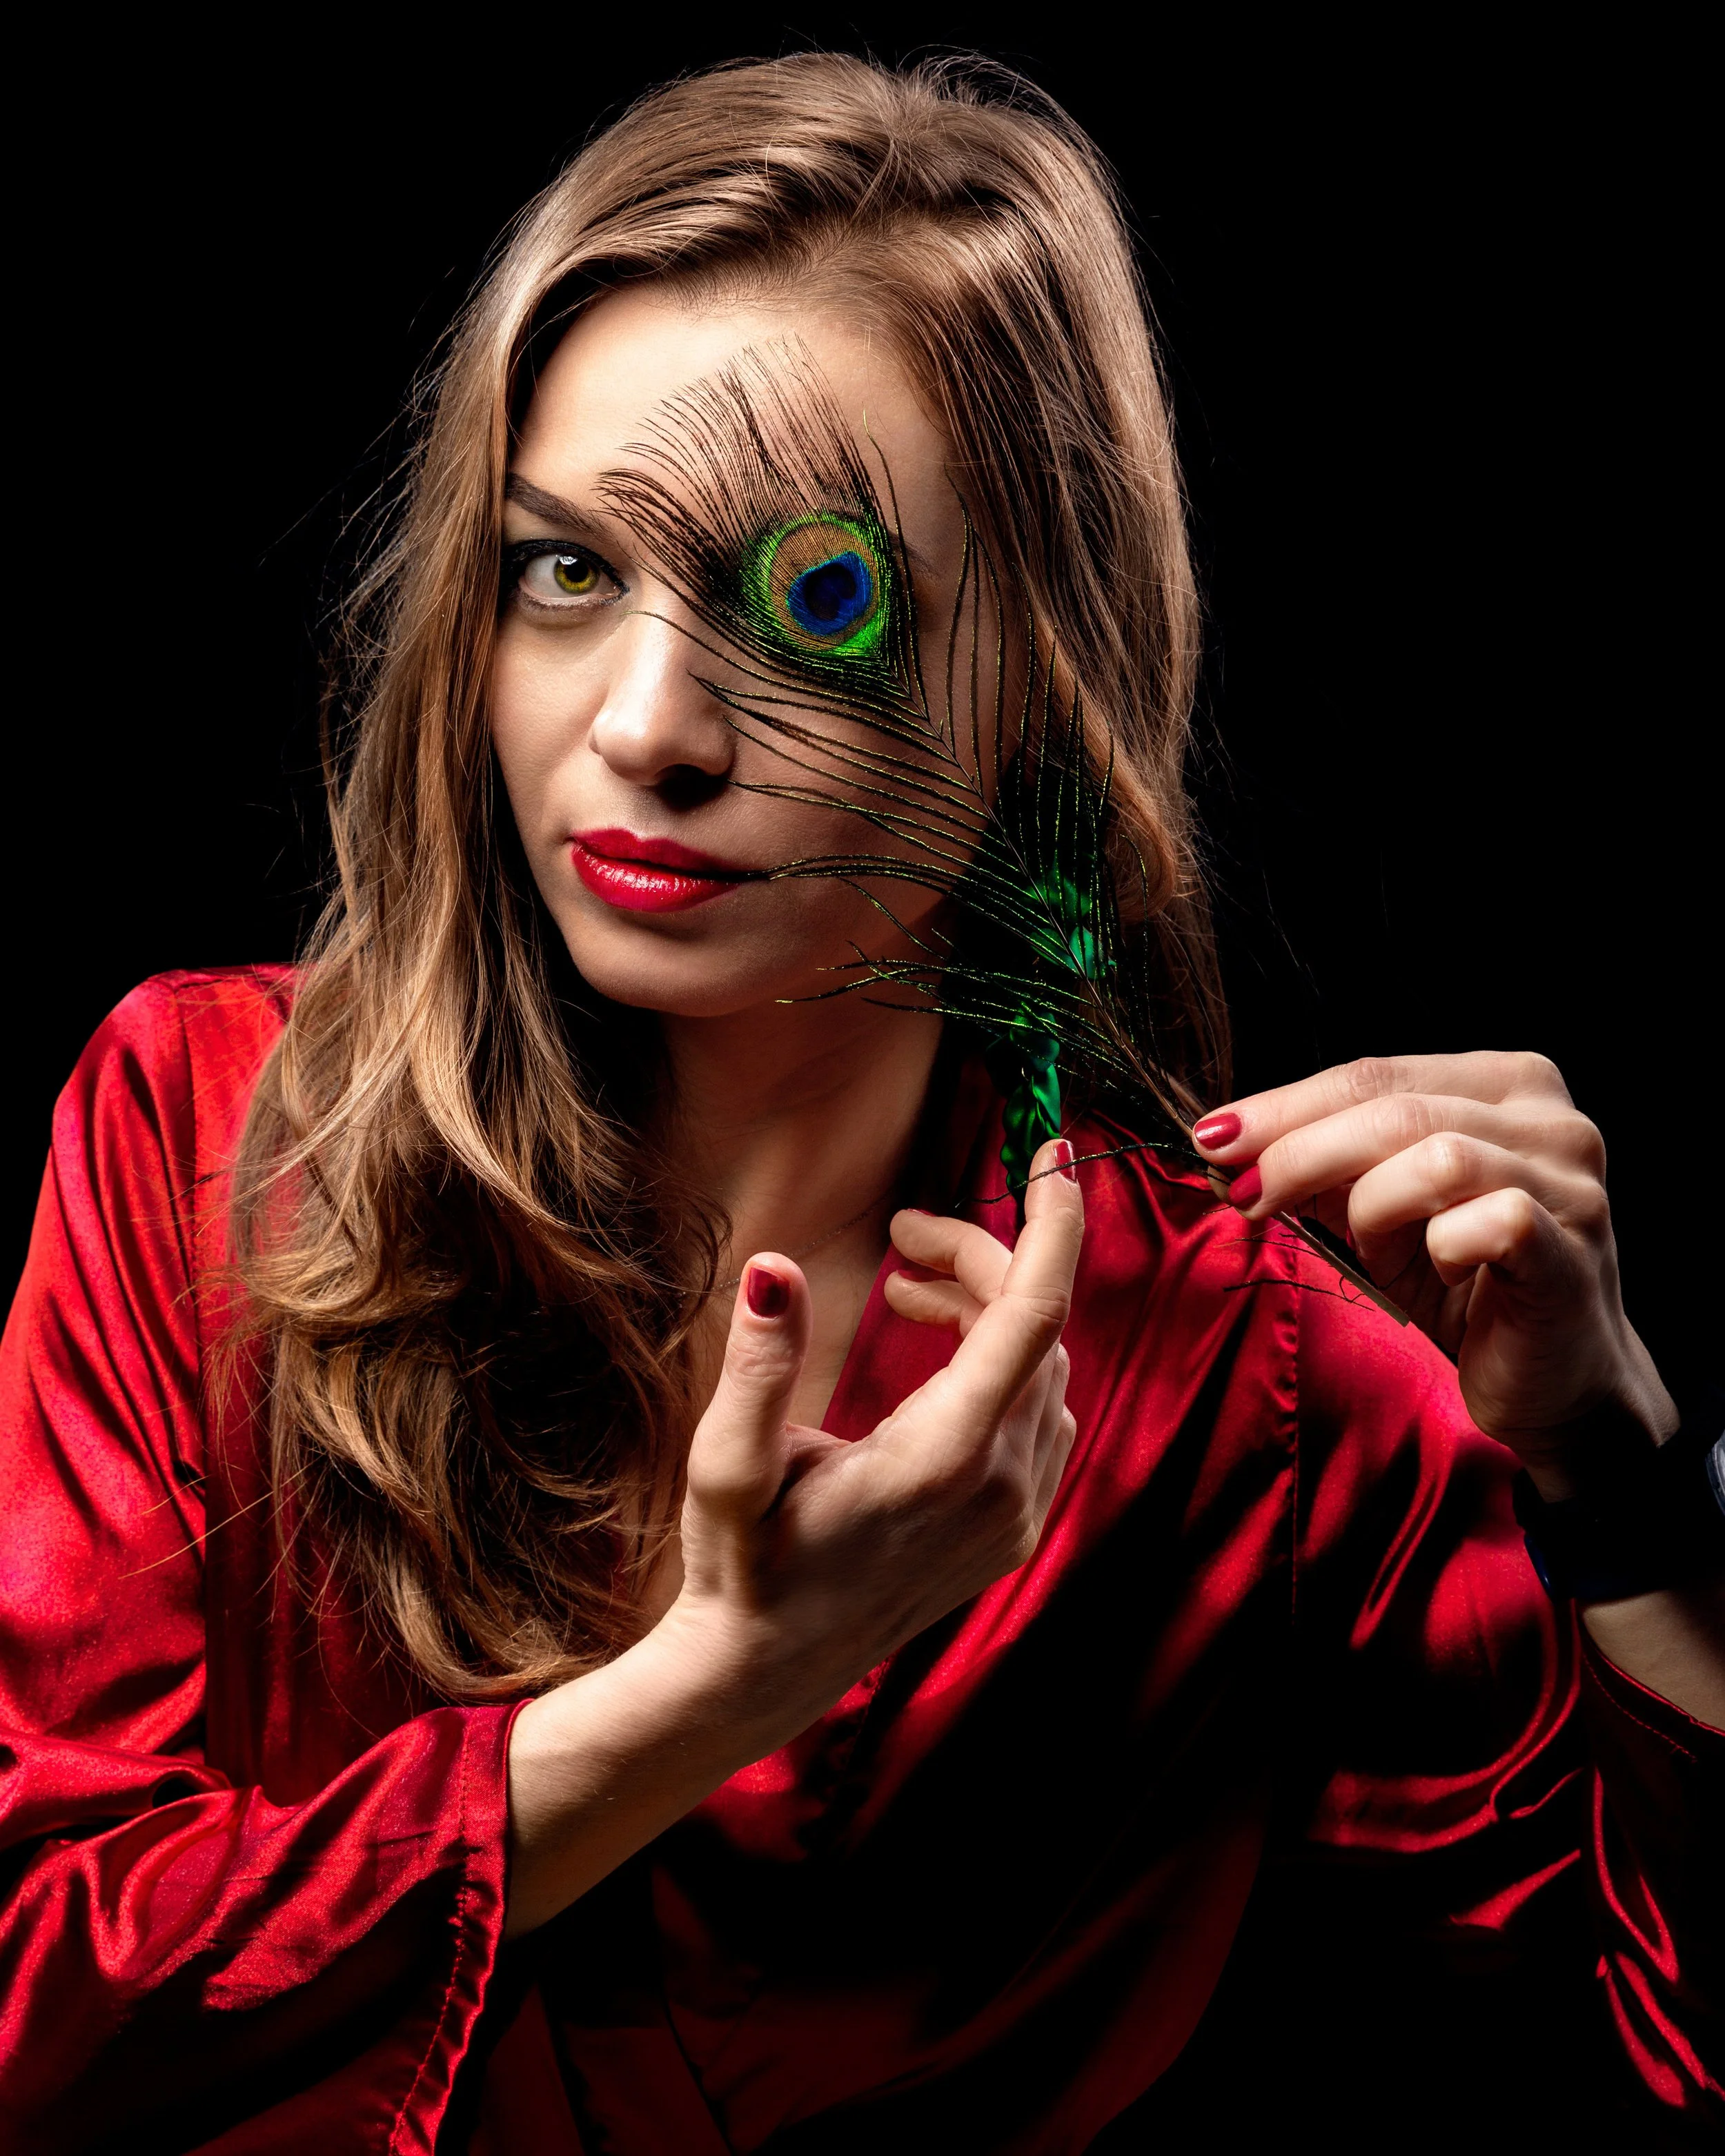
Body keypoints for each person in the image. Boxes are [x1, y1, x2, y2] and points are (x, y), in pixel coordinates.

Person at [1, 53, 1718, 2156]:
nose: (647, 727)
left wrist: (1619, 1478)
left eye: (821, 601)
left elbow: (1638, 2066)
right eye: (566, 571)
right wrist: (706, 1690)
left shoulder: (1262, 1386)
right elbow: (37, 2025)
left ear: (1043, 682)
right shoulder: (208, 1133)